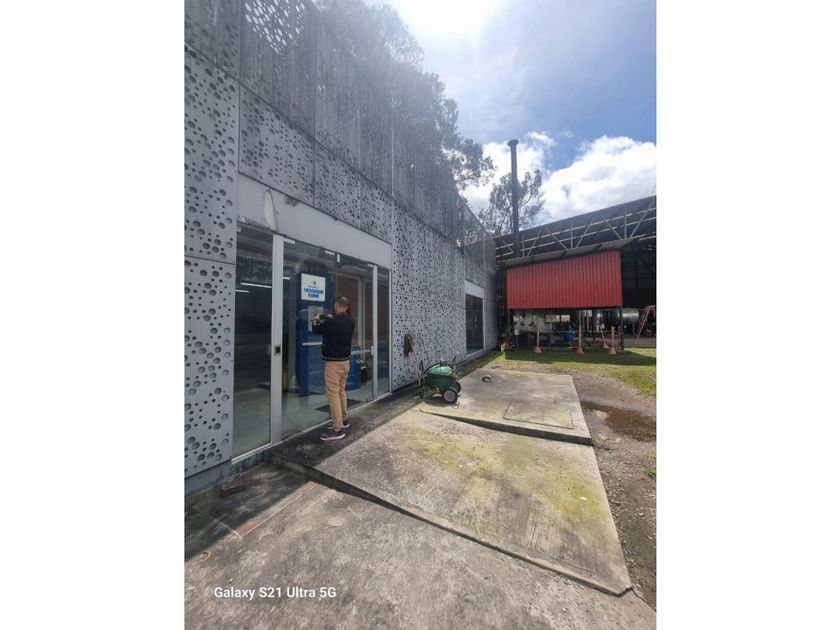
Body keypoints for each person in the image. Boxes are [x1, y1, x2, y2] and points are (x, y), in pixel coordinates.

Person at [312, 296, 356, 442]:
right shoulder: (351, 321)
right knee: (341, 391)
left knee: (333, 395)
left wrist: (316, 318)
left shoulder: (332, 322)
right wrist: (327, 317)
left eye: (335, 306)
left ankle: (337, 429)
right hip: (345, 363)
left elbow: (316, 329)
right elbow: (336, 322)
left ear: (337, 306)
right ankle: (343, 420)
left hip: (333, 364)